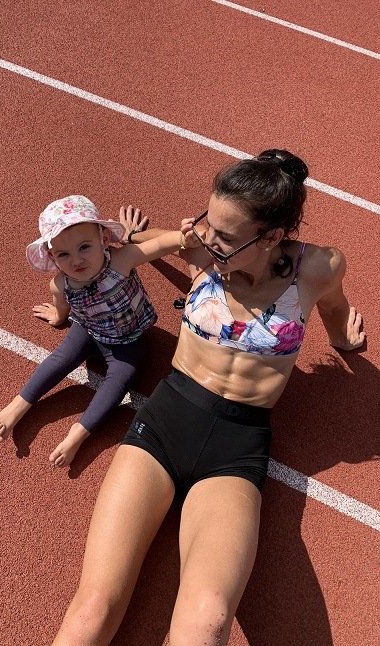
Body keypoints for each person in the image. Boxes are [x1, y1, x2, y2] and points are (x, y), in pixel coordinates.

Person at [53, 150, 366, 645]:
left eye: (223, 235)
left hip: (236, 449)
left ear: (271, 237)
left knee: (209, 620)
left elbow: (333, 307)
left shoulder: (318, 268)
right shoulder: (201, 247)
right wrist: (133, 237)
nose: (204, 237)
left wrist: (346, 341)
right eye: (206, 223)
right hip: (164, 423)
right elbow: (143, 251)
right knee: (92, 607)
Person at [0, 195, 189, 467]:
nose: (76, 260)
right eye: (63, 254)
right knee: (60, 358)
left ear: (104, 240)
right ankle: (20, 403)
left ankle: (79, 432)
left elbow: (158, 245)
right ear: (51, 256)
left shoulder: (122, 260)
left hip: (126, 339)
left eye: (84, 247)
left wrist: (183, 236)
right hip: (88, 330)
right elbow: (61, 304)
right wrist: (58, 316)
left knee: (122, 378)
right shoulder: (61, 283)